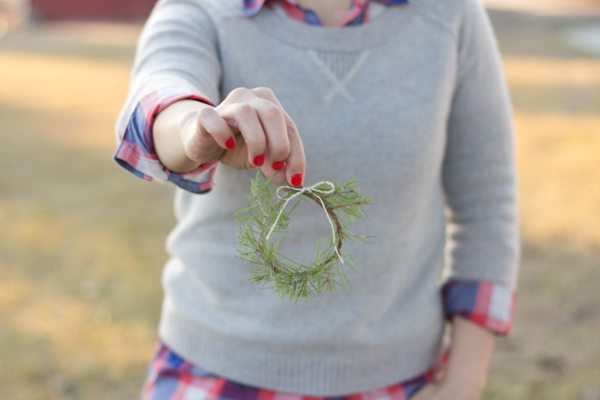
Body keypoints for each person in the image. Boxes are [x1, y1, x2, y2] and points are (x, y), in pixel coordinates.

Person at [113, 0, 521, 398]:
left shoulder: (448, 13)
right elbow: (160, 91)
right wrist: (194, 127)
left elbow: (487, 203)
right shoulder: (206, 9)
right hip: (214, 370)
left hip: (400, 377)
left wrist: (464, 381)